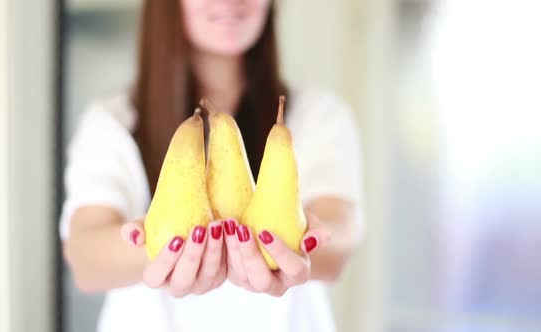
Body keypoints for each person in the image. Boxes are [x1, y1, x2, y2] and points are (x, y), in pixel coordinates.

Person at [60, 1, 363, 331]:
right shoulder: (111, 122)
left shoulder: (320, 116)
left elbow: (341, 238)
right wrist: (164, 247)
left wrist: (306, 238)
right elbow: (84, 256)